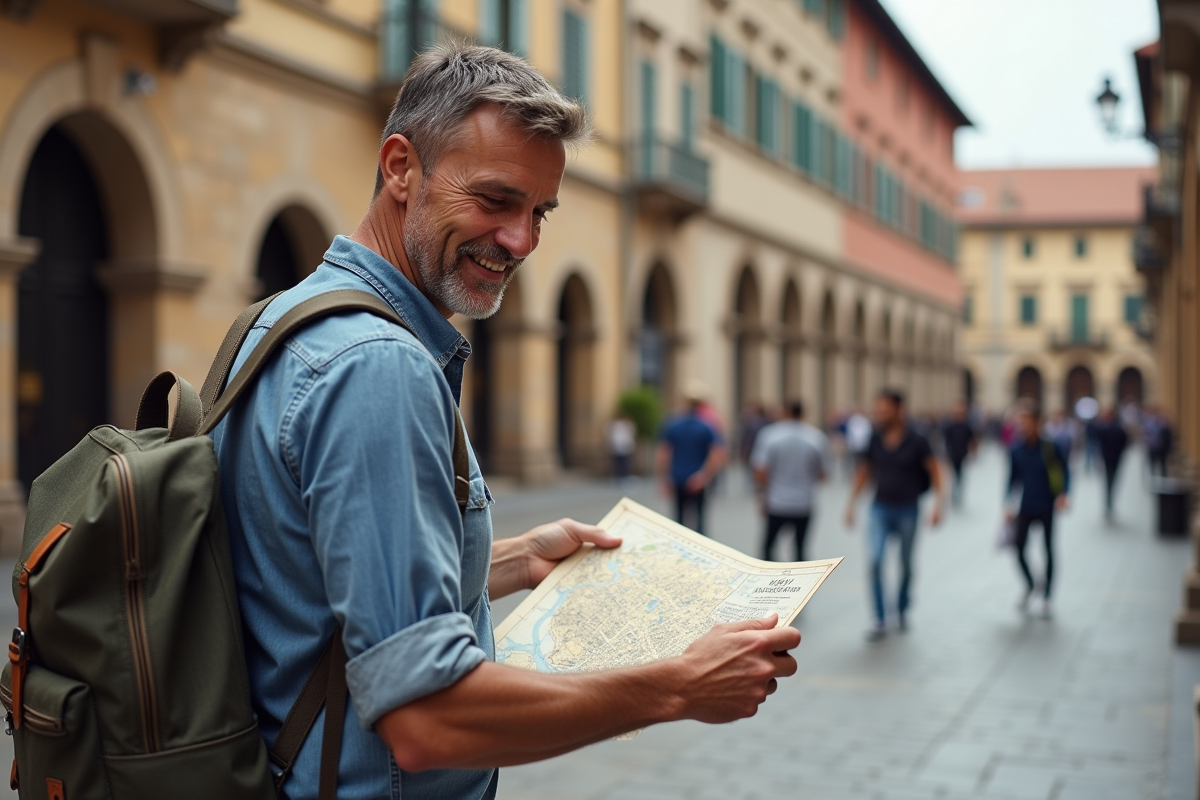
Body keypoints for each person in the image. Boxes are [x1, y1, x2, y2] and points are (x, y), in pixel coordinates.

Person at [212, 44, 800, 800]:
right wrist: (678, 687)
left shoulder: (279, 321)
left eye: (539, 212)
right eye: (494, 200)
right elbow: (426, 719)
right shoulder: (376, 367)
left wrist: (516, 559)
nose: (520, 240)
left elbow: (309, 585)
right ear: (400, 168)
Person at [845, 389, 944, 641]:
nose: (879, 414)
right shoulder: (875, 438)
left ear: (899, 410)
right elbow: (864, 471)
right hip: (880, 508)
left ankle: (902, 607)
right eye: (878, 409)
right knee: (876, 561)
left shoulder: (918, 439)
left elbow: (935, 471)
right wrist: (851, 504)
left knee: (906, 564)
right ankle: (879, 617)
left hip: (908, 509)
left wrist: (938, 505)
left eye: (884, 409)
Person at [1005, 402, 1070, 617]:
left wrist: (1063, 494)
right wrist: (1007, 503)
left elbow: (1064, 472)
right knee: (1018, 548)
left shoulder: (1051, 447)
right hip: (1025, 505)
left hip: (1047, 505)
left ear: (1037, 422)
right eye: (1020, 421)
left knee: (1048, 550)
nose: (1022, 425)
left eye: (1026, 421)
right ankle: (1031, 583)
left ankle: (1048, 596)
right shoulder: (1016, 448)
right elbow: (1011, 478)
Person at [751, 400, 830, 562]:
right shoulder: (816, 437)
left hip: (776, 501)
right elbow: (823, 474)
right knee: (800, 548)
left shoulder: (770, 435)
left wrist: (761, 495)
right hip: (804, 501)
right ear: (803, 414)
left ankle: (773, 585)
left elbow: (760, 472)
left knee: (768, 548)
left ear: (784, 412)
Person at [657, 383, 727, 535]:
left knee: (679, 522)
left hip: (678, 478)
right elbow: (718, 453)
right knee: (700, 521)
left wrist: (664, 477)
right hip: (697, 480)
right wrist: (704, 475)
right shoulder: (706, 426)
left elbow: (664, 453)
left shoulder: (672, 424)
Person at [1093, 406, 1129, 520]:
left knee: (1109, 483)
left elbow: (1096, 439)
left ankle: (1108, 505)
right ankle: (1109, 505)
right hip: (1114, 459)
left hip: (1109, 460)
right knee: (1112, 482)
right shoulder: (1119, 429)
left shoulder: (1105, 429)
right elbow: (1126, 443)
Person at [941, 399, 976, 508]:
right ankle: (953, 494)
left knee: (959, 475)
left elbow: (972, 440)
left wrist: (973, 453)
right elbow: (945, 441)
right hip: (951, 454)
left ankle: (957, 494)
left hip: (962, 454)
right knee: (953, 476)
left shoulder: (966, 426)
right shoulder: (950, 426)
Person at [1144, 404, 1174, 476]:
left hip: (1159, 446)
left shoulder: (1160, 423)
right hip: (1154, 445)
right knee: (1156, 462)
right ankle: (1155, 474)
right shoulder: (1150, 422)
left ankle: (1159, 475)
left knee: (1161, 462)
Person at [608, 413, 637, 482]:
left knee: (624, 463)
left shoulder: (626, 424)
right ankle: (619, 476)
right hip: (617, 447)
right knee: (619, 463)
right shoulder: (614, 425)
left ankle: (623, 476)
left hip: (624, 447)